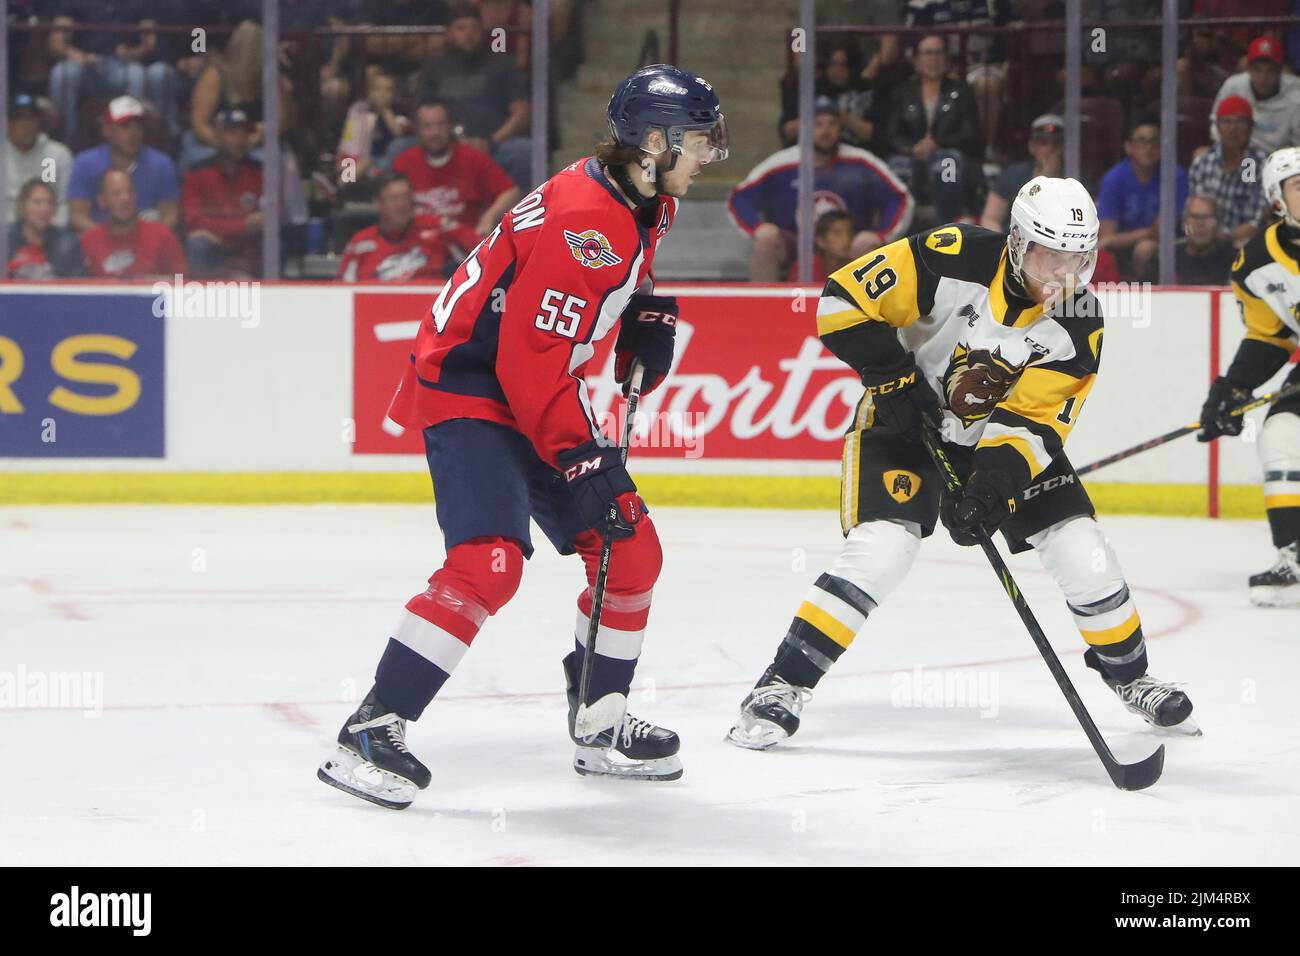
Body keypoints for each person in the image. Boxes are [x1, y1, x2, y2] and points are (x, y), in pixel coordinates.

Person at [317, 64, 729, 809]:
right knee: (491, 562)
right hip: (472, 384)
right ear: (655, 144)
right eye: (699, 141)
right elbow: (526, 361)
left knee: (631, 550)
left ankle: (599, 721)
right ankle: (372, 728)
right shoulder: (589, 221)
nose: (707, 156)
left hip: (529, 385)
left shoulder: (639, 197)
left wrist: (644, 309)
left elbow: (612, 281)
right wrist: (581, 458)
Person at [727, 176, 1198, 752]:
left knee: (1084, 549)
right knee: (883, 549)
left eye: (1077, 259)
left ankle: (1132, 677)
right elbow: (841, 300)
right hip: (900, 425)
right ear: (1020, 243)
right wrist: (893, 378)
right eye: (1051, 256)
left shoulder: (1078, 317)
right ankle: (780, 686)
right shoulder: (951, 254)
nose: (1062, 275)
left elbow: (1033, 424)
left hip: (995, 443)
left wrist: (992, 490)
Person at [1196, 147, 1300, 606]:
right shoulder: (1257, 264)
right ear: (1278, 200)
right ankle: (1292, 558)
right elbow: (1271, 336)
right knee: (1279, 433)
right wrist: (1233, 388)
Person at [729, 99, 914, 282]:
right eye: (818, 124)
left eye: (831, 124)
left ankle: (866, 310)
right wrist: (757, 227)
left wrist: (880, 234)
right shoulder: (780, 164)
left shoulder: (861, 162)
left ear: (840, 128)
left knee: (867, 246)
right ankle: (763, 308)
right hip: (795, 241)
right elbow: (739, 198)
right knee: (766, 244)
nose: (825, 131)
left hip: (848, 241)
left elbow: (900, 198)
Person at [413, 2, 532, 189]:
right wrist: (448, 140)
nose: (468, 34)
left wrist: (491, 142)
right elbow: (422, 112)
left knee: (525, 151)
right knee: (399, 148)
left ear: (482, 31)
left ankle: (519, 214)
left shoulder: (503, 64)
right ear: (449, 33)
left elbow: (522, 112)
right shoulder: (433, 68)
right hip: (443, 145)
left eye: (474, 28)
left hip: (495, 145)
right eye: (461, 28)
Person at [885, 35, 984, 224]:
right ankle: (902, 227)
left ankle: (948, 225)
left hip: (948, 155)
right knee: (899, 166)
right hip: (912, 154)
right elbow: (893, 133)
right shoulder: (903, 91)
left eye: (938, 53)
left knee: (946, 164)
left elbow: (971, 134)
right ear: (917, 60)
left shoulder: (962, 91)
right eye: (927, 53)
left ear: (946, 59)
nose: (933, 59)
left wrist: (937, 144)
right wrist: (912, 148)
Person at [45, 2, 177, 142]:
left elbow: (149, 45)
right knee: (61, 74)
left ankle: (132, 139)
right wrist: (81, 57)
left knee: (136, 74)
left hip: (122, 66)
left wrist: (132, 53)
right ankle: (66, 140)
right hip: (83, 66)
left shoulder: (139, 3)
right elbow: (57, 43)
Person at [392, 99, 520, 237]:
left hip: (462, 243)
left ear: (450, 126)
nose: (435, 133)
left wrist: (489, 216)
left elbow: (511, 192)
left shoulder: (472, 158)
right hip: (417, 244)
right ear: (417, 130)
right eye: (427, 126)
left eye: (440, 125)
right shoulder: (404, 162)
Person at [337, 171, 481, 281]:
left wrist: (449, 228)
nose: (401, 205)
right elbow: (342, 290)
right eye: (394, 199)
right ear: (377, 203)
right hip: (375, 311)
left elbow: (482, 251)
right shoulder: (361, 242)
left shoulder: (437, 228)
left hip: (429, 311)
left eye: (405, 197)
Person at [66, 96, 179, 233]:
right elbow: (78, 216)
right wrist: (109, 241)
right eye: (125, 126)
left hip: (148, 244)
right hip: (99, 242)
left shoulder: (162, 165)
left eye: (138, 127)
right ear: (107, 130)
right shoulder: (85, 163)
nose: (134, 134)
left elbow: (170, 216)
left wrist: (148, 242)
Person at [1097, 116, 1189, 279]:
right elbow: (1106, 238)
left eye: (1154, 141)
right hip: (1121, 248)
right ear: (1128, 147)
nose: (1148, 147)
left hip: (1166, 246)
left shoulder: (1175, 176)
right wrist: (1146, 232)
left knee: (1145, 248)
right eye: (1142, 141)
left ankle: (1151, 298)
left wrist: (1142, 235)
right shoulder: (1114, 178)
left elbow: (1162, 231)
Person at [181, 108, 263, 278]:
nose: (239, 139)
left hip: (249, 247)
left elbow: (265, 221)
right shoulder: (198, 172)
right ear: (217, 135)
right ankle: (198, 299)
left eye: (244, 133)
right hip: (212, 247)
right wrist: (243, 226)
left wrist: (218, 228)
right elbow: (194, 221)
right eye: (232, 133)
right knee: (197, 244)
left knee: (271, 244)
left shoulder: (260, 172)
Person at [1189, 96, 1269, 248]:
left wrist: (1224, 238)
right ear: (1217, 126)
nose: (1233, 129)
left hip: (1240, 241)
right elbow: (1194, 212)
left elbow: (1255, 221)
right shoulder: (1203, 162)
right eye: (1227, 122)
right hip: (1202, 239)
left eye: (1240, 121)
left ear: (1251, 127)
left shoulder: (1256, 164)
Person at [80, 169, 186, 278]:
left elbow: (180, 282)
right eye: (117, 194)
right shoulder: (89, 241)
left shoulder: (162, 236)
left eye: (130, 192)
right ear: (102, 200)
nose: (125, 198)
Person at [1209, 35, 1300, 155]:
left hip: (1276, 159)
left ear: (1280, 70)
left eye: (1270, 70)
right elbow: (1216, 123)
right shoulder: (1234, 85)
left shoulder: (1296, 94)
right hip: (1236, 152)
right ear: (1249, 69)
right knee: (1200, 154)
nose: (1263, 77)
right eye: (1257, 70)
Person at [980, 114, 1064, 232]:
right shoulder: (1013, 175)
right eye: (1044, 143)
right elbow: (991, 218)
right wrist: (1002, 246)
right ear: (1032, 147)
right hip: (1013, 241)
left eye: (1057, 143)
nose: (1051, 148)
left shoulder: (1074, 179)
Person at [5, 93, 73, 226]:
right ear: (8, 124)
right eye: (19, 118)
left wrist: (46, 228)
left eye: (32, 118)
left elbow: (64, 203)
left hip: (48, 231)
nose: (26, 124)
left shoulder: (56, 155)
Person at [7, 179, 84, 278]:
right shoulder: (5, 241)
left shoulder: (68, 243)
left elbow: (75, 286)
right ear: (23, 206)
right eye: (37, 202)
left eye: (50, 203)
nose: (45, 208)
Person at [1172, 195, 1234, 285]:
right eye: (1194, 217)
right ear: (1184, 222)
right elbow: (1147, 294)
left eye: (1207, 217)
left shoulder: (1236, 261)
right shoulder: (1166, 257)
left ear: (1219, 224)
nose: (1200, 224)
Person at [787, 209, 857, 283]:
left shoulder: (858, 269)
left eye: (849, 233)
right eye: (837, 234)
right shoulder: (804, 269)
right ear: (821, 241)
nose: (846, 239)